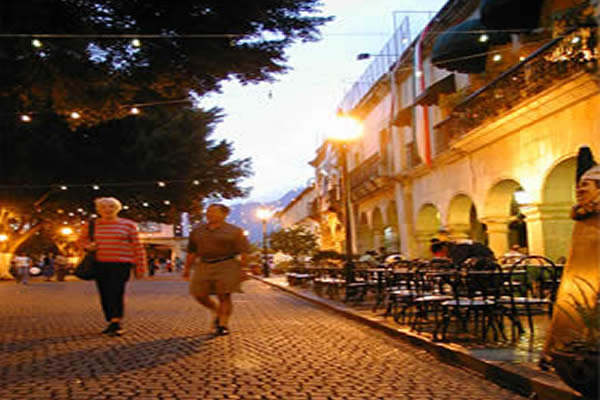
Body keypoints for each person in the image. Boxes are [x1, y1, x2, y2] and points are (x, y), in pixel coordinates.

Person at [540, 151, 600, 369]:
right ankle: (560, 350)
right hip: (576, 282)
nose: (580, 189)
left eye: (586, 185)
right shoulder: (582, 216)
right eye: (579, 185)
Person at [78, 197, 146, 337]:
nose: (107, 210)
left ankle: (116, 321)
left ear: (117, 208)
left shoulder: (129, 225)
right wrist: (87, 246)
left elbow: (137, 247)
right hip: (100, 263)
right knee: (104, 292)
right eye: (103, 207)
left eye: (111, 206)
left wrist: (140, 267)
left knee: (116, 291)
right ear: (98, 210)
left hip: (121, 263)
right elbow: (80, 241)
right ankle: (110, 319)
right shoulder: (91, 225)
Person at [183, 203, 250, 336]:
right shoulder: (197, 231)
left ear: (224, 214)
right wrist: (187, 268)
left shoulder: (235, 231)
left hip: (227, 264)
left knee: (224, 295)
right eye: (208, 211)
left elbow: (244, 252)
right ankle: (215, 310)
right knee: (199, 294)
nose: (210, 214)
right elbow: (192, 251)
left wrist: (244, 268)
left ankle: (222, 324)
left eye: (214, 212)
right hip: (204, 264)